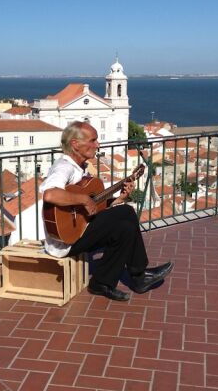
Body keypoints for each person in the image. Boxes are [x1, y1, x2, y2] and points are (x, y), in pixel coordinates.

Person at [40, 121, 173, 301]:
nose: (98, 145)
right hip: (65, 242)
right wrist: (83, 199)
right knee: (126, 213)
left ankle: (102, 283)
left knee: (125, 226)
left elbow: (91, 210)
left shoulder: (81, 169)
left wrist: (118, 198)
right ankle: (139, 275)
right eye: (93, 140)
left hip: (80, 232)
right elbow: (49, 194)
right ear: (75, 144)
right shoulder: (64, 167)